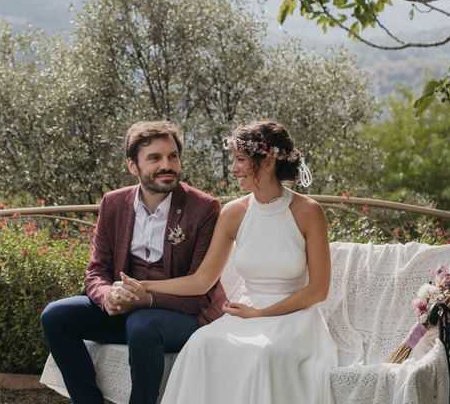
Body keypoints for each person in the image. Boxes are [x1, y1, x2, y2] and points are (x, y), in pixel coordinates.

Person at [121, 120, 338, 403]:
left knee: (266, 354)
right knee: (202, 344)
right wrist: (144, 284)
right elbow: (202, 279)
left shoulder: (308, 212)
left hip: (294, 318)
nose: (233, 169)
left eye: (240, 160)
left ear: (268, 161)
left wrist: (260, 314)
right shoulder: (233, 213)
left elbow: (318, 290)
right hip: (244, 313)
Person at [40, 120, 226, 404]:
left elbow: (200, 292)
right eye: (155, 158)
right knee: (56, 316)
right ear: (132, 165)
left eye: (173, 156)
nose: (167, 165)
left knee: (143, 324)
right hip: (127, 308)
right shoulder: (113, 203)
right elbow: (97, 271)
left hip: (184, 315)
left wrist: (146, 299)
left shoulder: (203, 208)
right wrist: (108, 297)